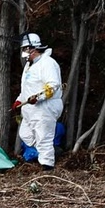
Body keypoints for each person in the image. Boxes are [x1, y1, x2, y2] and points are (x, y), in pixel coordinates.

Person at [13, 32, 64, 170]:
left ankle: (47, 168)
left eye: (25, 49)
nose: (24, 52)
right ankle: (50, 150)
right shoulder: (29, 66)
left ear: (33, 49)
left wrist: (39, 97)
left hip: (45, 107)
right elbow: (28, 88)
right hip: (30, 109)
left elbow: (53, 85)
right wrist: (19, 100)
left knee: (43, 137)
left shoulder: (48, 63)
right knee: (25, 134)